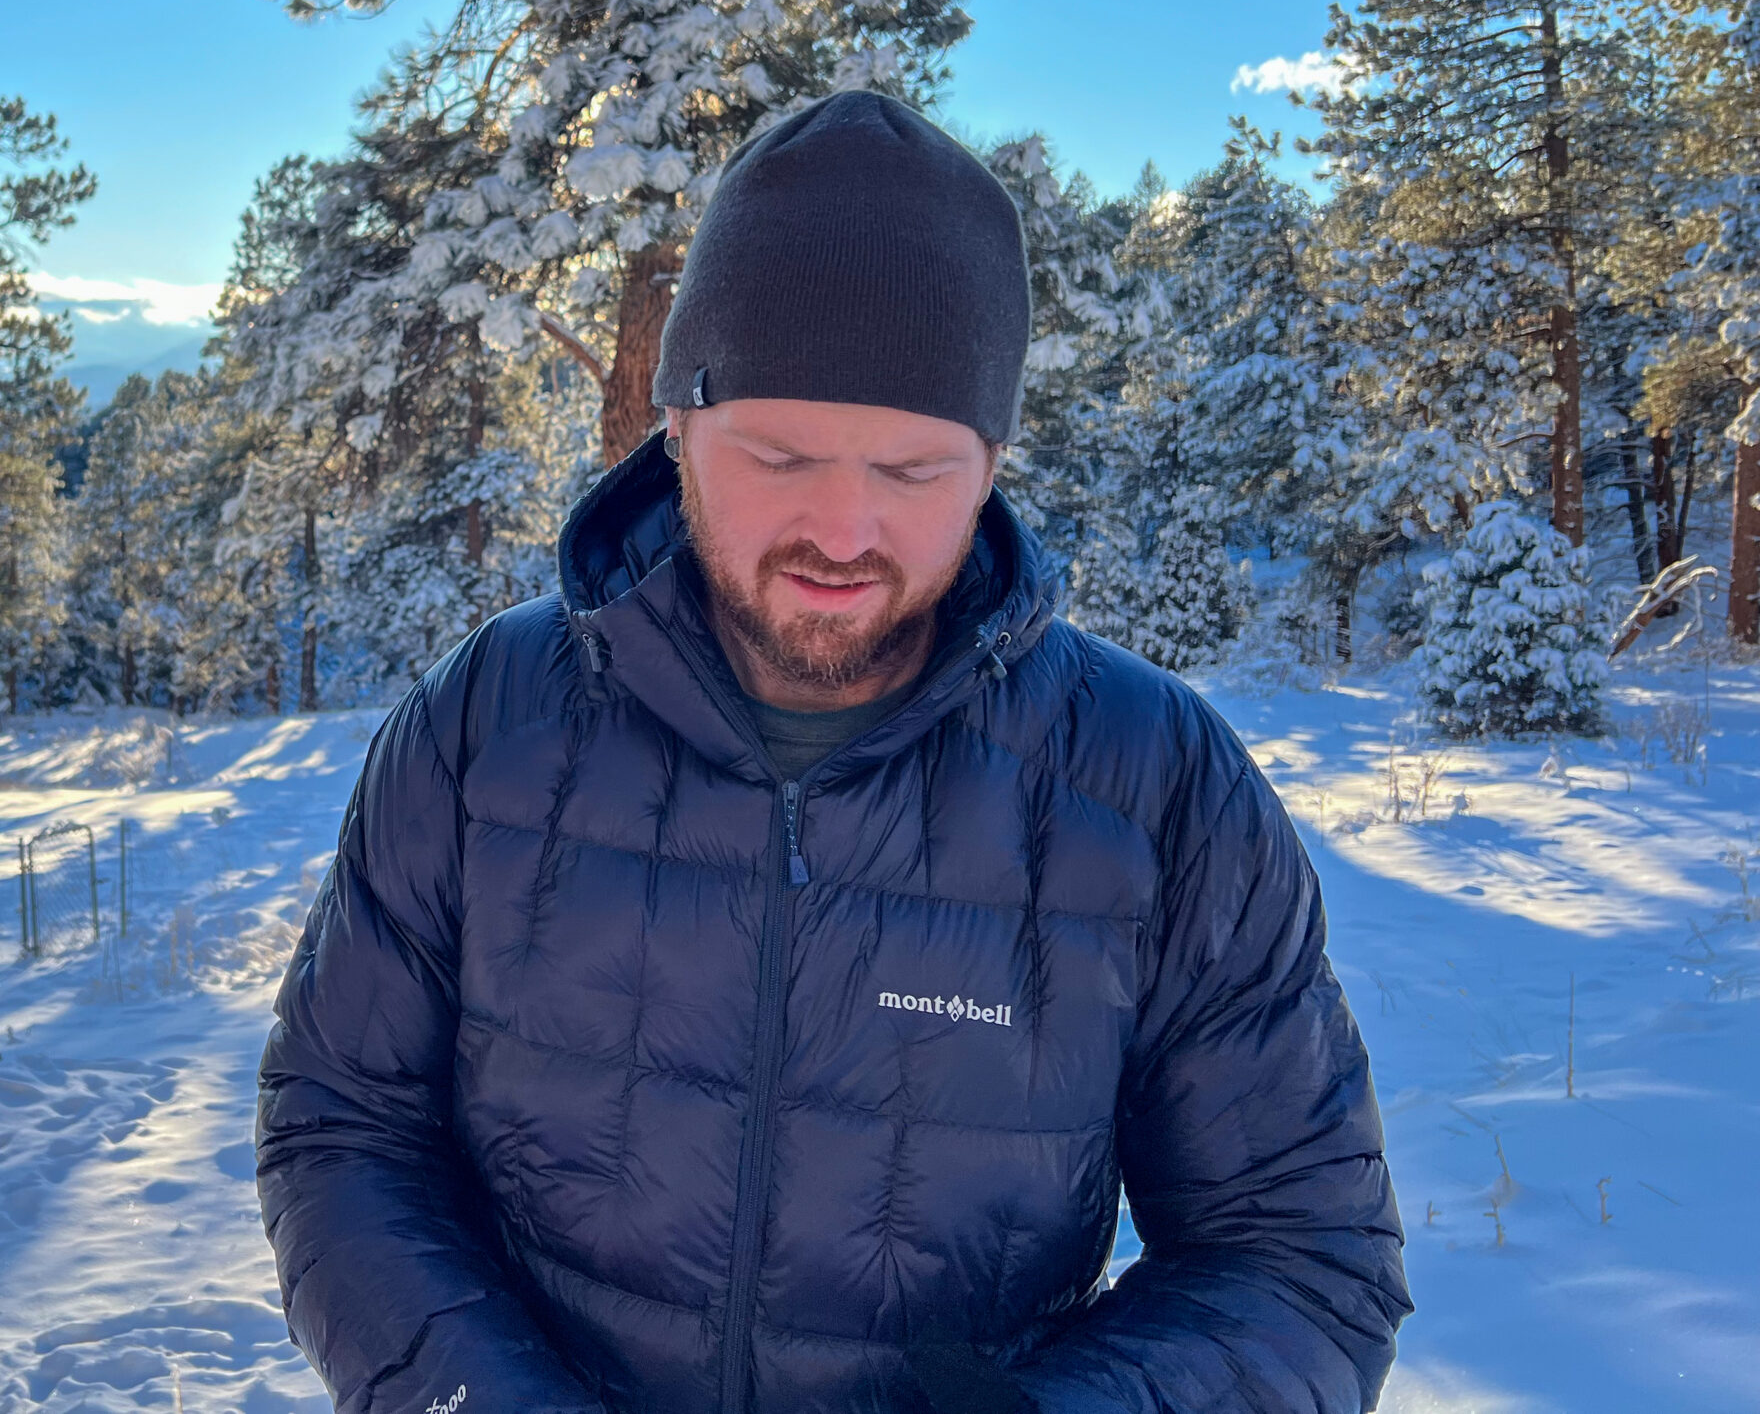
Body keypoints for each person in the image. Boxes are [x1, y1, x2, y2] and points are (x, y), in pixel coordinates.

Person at [252, 91, 1411, 1414]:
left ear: (989, 465)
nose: (843, 533)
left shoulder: (1152, 785)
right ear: (676, 423)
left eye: (913, 469)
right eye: (781, 453)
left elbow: (1301, 1255)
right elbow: (344, 1130)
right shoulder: (492, 724)